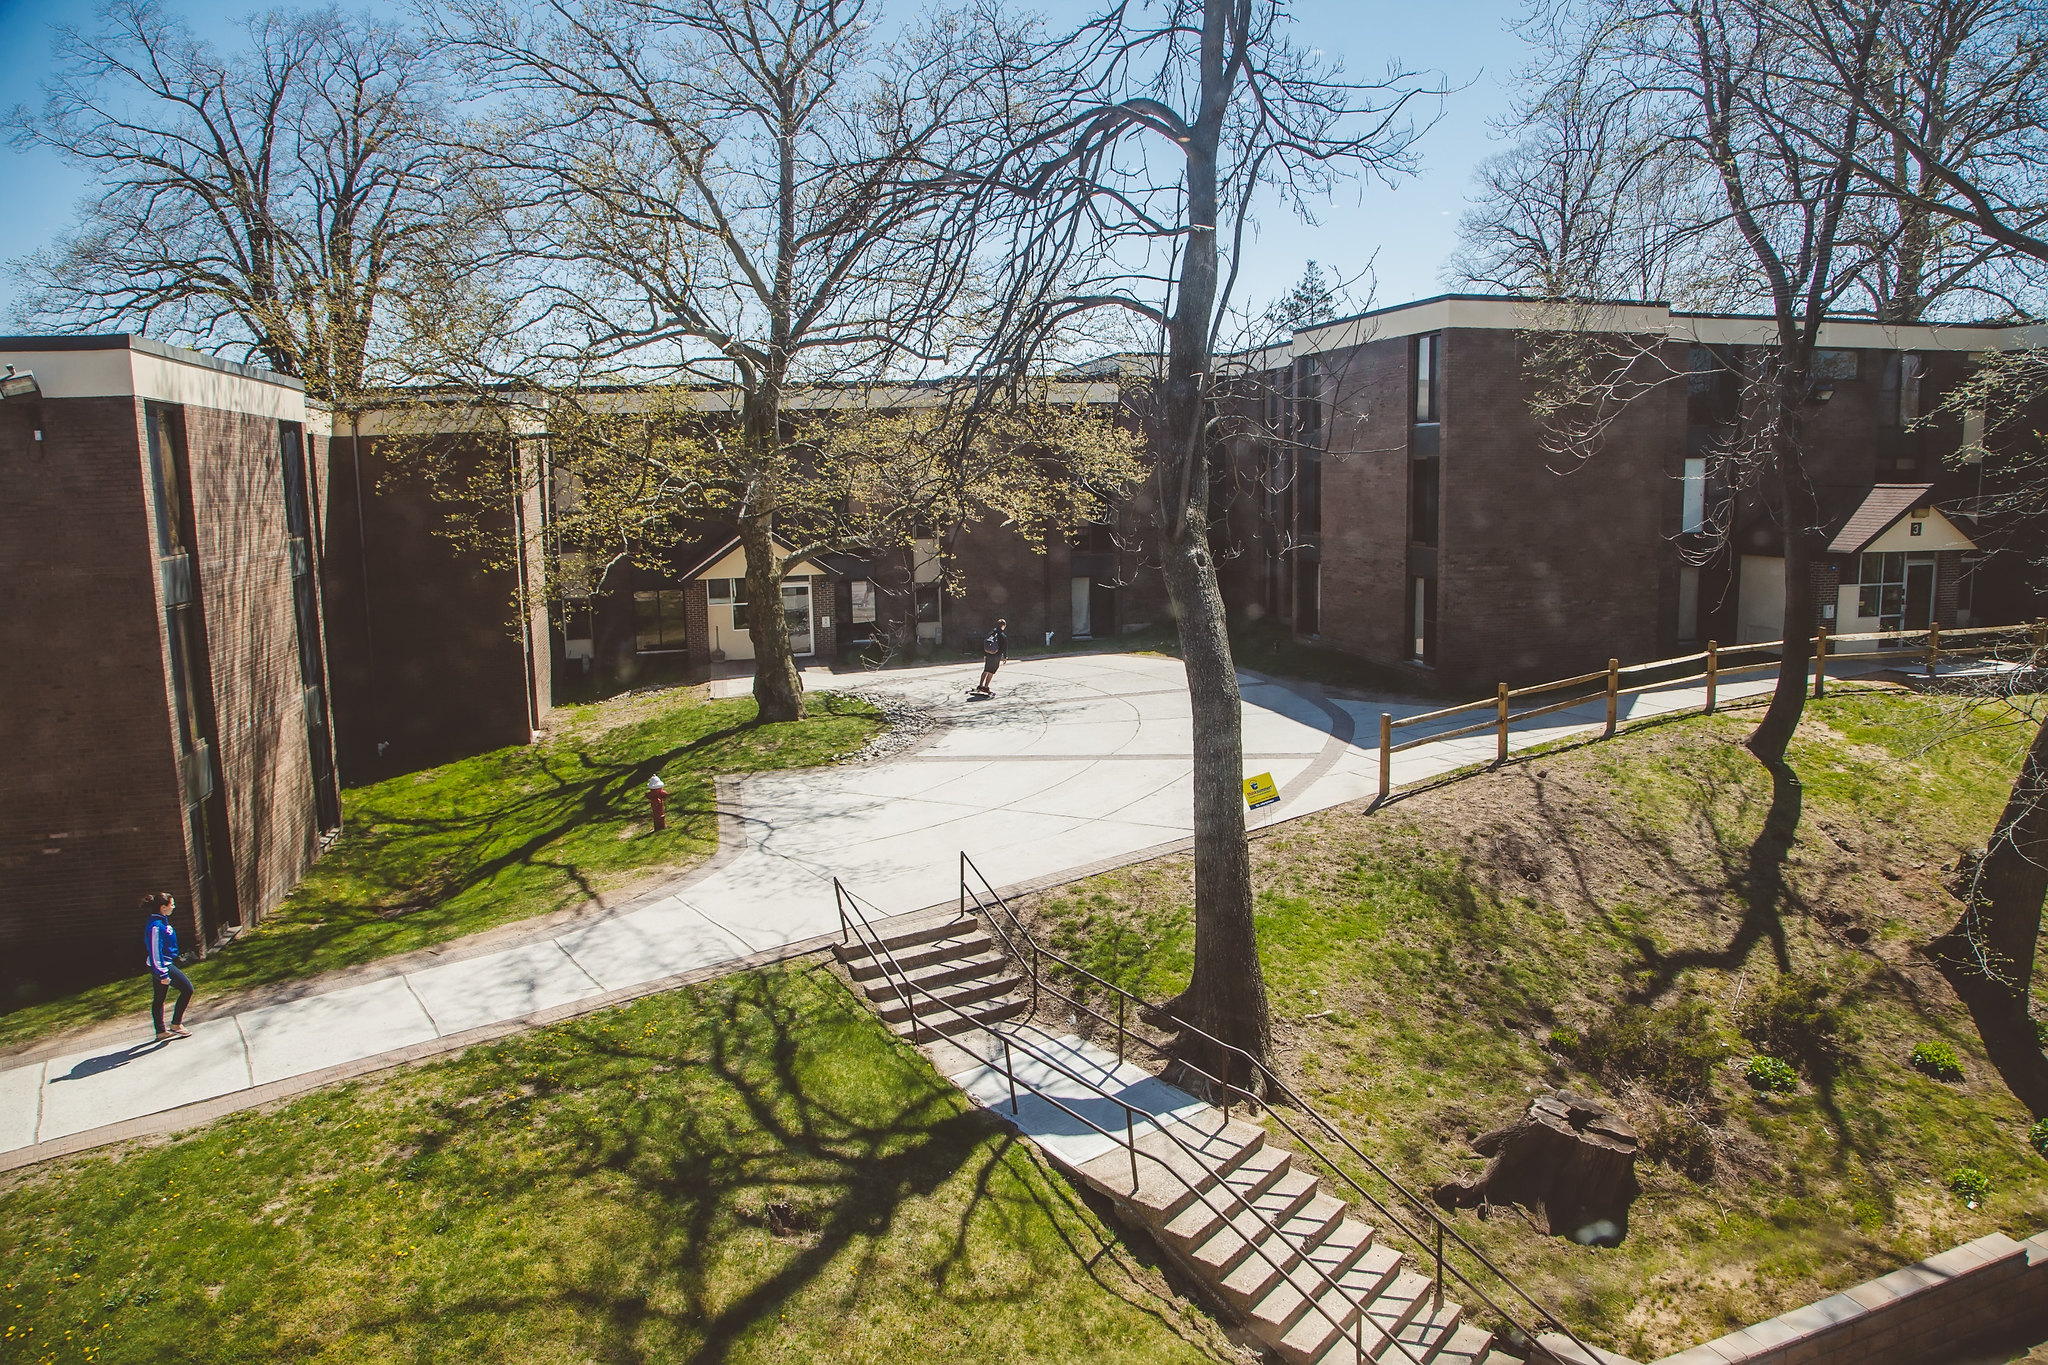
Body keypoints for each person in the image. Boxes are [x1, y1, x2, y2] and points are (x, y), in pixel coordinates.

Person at [143, 892, 193, 1040]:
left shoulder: (161, 921)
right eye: (172, 904)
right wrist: (162, 974)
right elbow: (155, 951)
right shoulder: (156, 926)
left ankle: (160, 1032)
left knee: (159, 998)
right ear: (163, 907)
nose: (174, 907)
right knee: (187, 989)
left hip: (162, 963)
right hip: (161, 965)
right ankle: (176, 1024)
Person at [974, 618, 1009, 695]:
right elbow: (1004, 648)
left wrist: (985, 654)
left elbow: (987, 643)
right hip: (996, 655)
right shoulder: (1002, 636)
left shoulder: (991, 633)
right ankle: (986, 687)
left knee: (986, 669)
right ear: (1003, 626)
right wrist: (1005, 657)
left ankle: (980, 685)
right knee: (991, 671)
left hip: (988, 654)